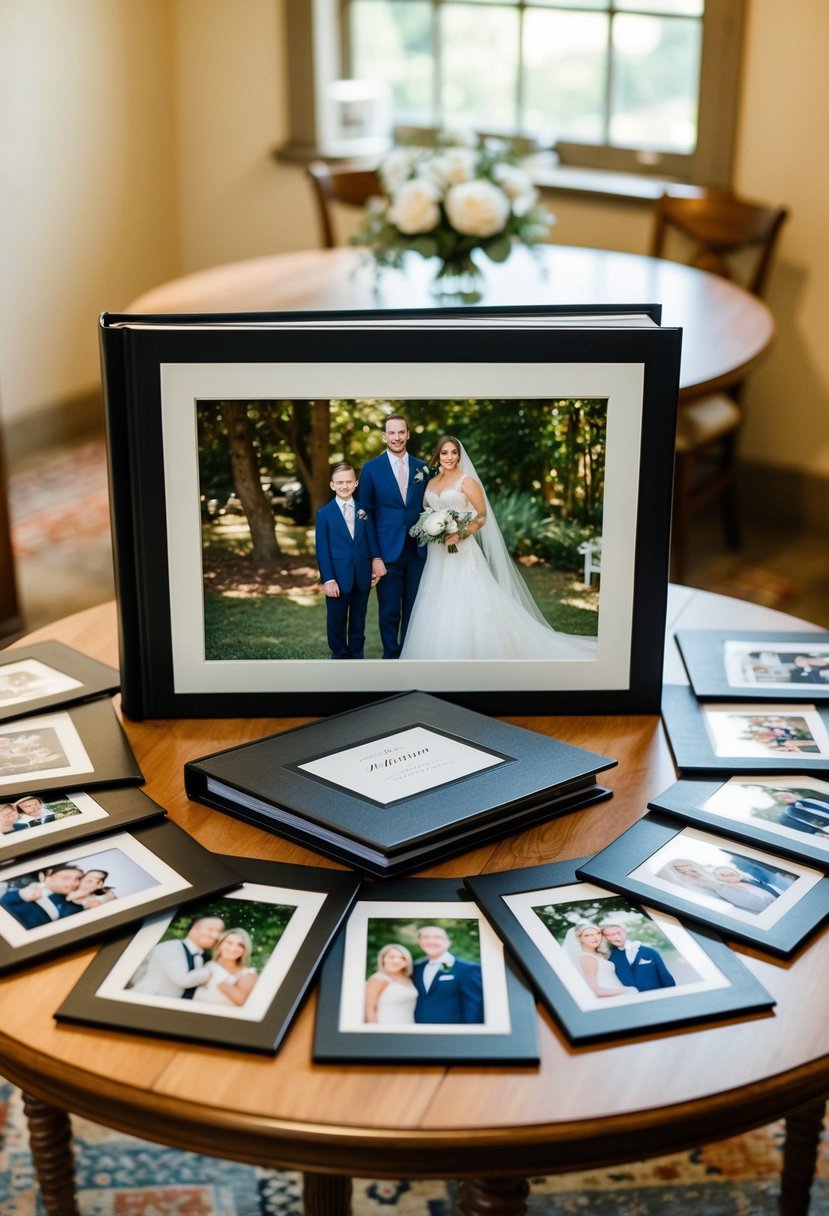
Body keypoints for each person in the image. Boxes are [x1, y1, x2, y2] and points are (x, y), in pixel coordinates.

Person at [398, 436, 598, 661]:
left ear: (459, 455)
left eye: (454, 452)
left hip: (461, 551)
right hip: (437, 554)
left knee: (466, 598)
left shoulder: (466, 481)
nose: (449, 457)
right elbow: (427, 512)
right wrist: (431, 527)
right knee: (435, 599)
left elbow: (482, 516)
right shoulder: (432, 482)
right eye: (445, 453)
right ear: (438, 455)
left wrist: (461, 532)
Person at [357, 414, 430, 658]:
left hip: (419, 550)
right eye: (392, 433)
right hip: (386, 551)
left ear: (408, 434)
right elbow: (365, 514)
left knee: (415, 608)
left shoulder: (423, 468)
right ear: (384, 436)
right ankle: (391, 656)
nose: (397, 437)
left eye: (401, 432)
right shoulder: (370, 469)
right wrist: (374, 556)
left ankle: (411, 655)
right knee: (389, 610)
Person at [314, 462, 379, 659]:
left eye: (349, 482)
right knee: (337, 620)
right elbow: (322, 549)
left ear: (356, 483)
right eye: (340, 482)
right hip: (337, 578)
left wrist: (374, 566)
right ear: (332, 485)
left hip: (361, 576)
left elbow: (371, 540)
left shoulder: (363, 511)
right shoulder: (324, 514)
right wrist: (328, 579)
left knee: (358, 621)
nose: (344, 486)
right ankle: (339, 656)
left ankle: (357, 657)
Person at [129, 915, 225, 999]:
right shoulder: (170, 947)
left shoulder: (199, 957)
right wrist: (208, 972)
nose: (215, 935)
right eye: (210, 929)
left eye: (219, 931)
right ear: (196, 927)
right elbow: (183, 980)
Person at [411, 925, 484, 1024]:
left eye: (437, 937)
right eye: (426, 937)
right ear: (420, 942)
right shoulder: (416, 968)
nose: (431, 941)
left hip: (451, 1032)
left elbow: (473, 1005)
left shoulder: (467, 969)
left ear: (448, 943)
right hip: (419, 1030)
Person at [562, 923, 639, 998]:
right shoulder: (587, 958)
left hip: (616, 991)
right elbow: (595, 991)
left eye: (598, 933)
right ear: (579, 938)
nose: (595, 938)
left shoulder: (600, 954)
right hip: (610, 996)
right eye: (588, 935)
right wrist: (627, 990)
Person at [0, 864, 85, 929]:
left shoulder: (74, 907)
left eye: (78, 879)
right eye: (66, 878)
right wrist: (19, 895)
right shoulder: (21, 886)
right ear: (48, 875)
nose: (74, 883)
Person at [192, 927, 259, 1008]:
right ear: (220, 944)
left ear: (244, 950)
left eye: (240, 945)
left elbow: (240, 1001)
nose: (233, 948)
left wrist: (216, 977)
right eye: (229, 943)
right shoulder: (208, 965)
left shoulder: (248, 974)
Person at [600, 922, 676, 991]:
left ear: (625, 932)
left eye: (618, 933)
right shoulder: (608, 957)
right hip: (630, 1000)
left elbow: (665, 977)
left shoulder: (649, 952)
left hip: (656, 996)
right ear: (605, 938)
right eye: (609, 935)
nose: (616, 937)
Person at [364, 942, 418, 1024]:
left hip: (408, 1024)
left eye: (403, 958)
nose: (396, 961)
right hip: (385, 1025)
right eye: (391, 957)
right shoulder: (378, 979)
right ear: (383, 958)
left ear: (407, 962)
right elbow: (369, 1009)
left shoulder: (409, 979)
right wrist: (374, 1032)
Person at [710, 865, 779, 911]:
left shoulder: (751, 880)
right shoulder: (732, 889)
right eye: (723, 875)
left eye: (727, 871)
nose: (727, 873)